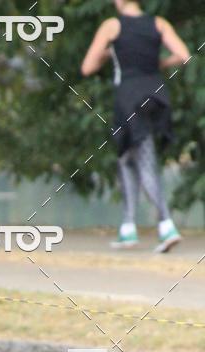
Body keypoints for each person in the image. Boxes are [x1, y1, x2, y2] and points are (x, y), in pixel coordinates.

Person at [81, 0, 190, 252]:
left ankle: (167, 226)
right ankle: (128, 228)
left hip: (128, 98)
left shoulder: (112, 26)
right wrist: (160, 64)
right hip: (156, 95)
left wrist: (109, 53)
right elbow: (183, 55)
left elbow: (87, 67)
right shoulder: (158, 23)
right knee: (126, 157)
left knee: (144, 160)